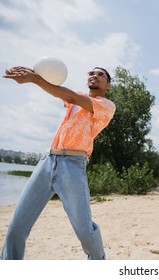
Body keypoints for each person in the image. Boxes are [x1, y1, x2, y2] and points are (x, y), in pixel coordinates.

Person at [1, 65, 116, 260]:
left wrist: (35, 79)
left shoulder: (106, 105)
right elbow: (59, 91)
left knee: (85, 231)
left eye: (100, 74)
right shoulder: (74, 98)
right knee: (16, 228)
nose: (94, 76)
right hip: (47, 161)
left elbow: (71, 97)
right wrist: (36, 73)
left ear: (108, 85)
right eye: (91, 72)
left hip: (73, 165)